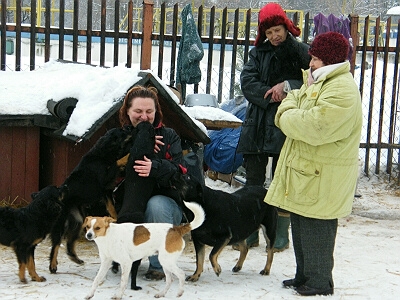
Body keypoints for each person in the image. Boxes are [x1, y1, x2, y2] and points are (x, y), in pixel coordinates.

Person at [264, 31, 362, 296]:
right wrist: (295, 101)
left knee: (317, 227)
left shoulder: (341, 89)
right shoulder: (320, 82)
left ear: (329, 60)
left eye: (316, 58)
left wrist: (285, 111)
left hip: (323, 175)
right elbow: (298, 100)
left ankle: (319, 283)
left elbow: (313, 126)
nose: (311, 63)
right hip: (311, 171)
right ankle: (304, 276)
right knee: (302, 224)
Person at [236, 2, 310, 251]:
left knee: (283, 178)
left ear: (286, 27)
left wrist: (286, 86)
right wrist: (270, 93)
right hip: (258, 122)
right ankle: (248, 231)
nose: (274, 36)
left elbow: (310, 82)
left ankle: (280, 235)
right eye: (268, 33)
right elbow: (247, 82)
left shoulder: (302, 52)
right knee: (253, 180)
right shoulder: (256, 53)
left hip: (288, 123)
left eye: (277, 30)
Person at [116, 85, 187, 280]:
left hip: (166, 204)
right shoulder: (119, 136)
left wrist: (155, 167)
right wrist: (136, 145)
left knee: (155, 205)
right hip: (129, 203)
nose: (144, 117)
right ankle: (121, 257)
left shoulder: (169, 135)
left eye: (149, 111)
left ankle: (158, 264)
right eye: (138, 111)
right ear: (127, 111)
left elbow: (180, 172)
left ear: (157, 112)